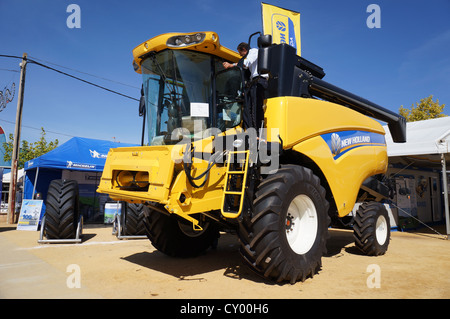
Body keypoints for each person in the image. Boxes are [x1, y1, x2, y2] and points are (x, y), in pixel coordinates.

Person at [223, 42, 268, 132]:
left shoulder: (253, 51)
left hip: (258, 81)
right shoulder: (253, 55)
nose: (241, 56)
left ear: (244, 49)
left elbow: (246, 63)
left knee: (255, 108)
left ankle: (257, 133)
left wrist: (232, 65)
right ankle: (252, 131)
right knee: (249, 108)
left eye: (241, 54)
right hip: (254, 82)